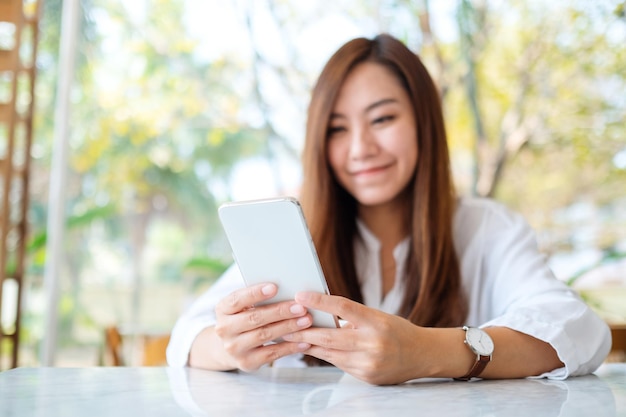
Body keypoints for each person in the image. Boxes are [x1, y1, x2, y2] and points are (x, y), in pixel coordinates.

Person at [166, 34, 611, 385]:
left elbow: (579, 332)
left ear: (424, 122)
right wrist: (231, 347)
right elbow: (189, 336)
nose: (361, 149)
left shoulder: (486, 228)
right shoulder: (302, 235)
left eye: (382, 119)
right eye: (337, 129)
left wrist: (426, 351)